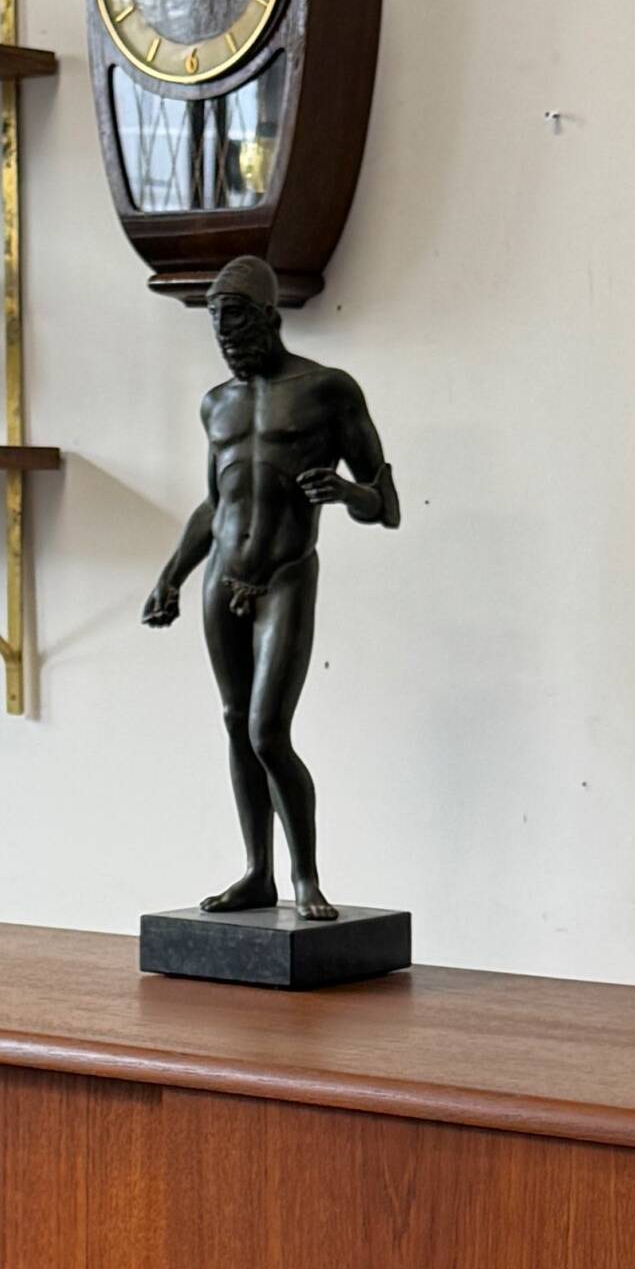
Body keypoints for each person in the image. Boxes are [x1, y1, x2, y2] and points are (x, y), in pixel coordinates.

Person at [142, 257, 399, 920]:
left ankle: (305, 877)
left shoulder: (327, 390)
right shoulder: (216, 404)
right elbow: (215, 504)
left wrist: (346, 493)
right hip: (222, 575)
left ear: (269, 319)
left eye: (236, 325)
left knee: (266, 730)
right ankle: (257, 873)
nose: (226, 341)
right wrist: (172, 575)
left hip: (286, 575)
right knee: (234, 723)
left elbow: (386, 502)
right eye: (216, 329)